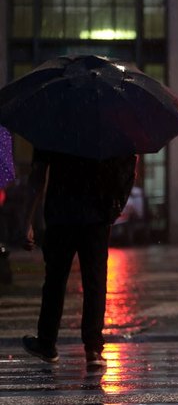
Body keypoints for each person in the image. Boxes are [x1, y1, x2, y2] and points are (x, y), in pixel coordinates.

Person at [21, 149, 136, 367]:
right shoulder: (105, 125)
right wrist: (115, 204)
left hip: (61, 215)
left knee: (55, 281)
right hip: (95, 216)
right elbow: (125, 162)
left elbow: (37, 175)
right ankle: (93, 348)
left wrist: (27, 221)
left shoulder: (51, 126)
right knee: (94, 283)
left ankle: (46, 342)